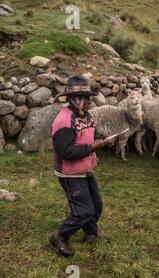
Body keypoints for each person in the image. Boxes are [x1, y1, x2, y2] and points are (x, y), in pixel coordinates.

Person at [49, 75, 112, 258]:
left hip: (85, 169)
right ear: (74, 99)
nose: (88, 101)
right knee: (83, 211)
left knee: (96, 206)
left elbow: (90, 134)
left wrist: (101, 140)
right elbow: (66, 151)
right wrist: (93, 147)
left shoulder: (85, 116)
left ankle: (91, 235)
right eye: (84, 97)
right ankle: (60, 236)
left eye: (88, 97)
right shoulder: (63, 121)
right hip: (70, 174)